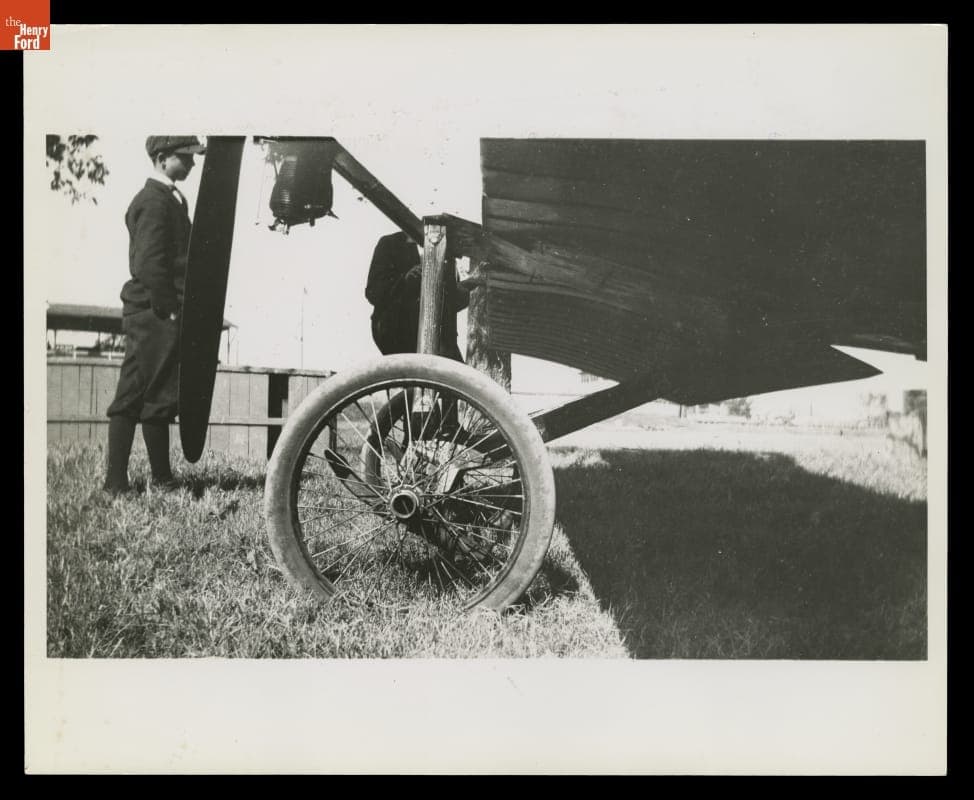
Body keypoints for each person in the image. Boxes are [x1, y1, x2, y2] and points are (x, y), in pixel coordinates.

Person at [102, 135, 206, 497]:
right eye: (185, 157)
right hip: (155, 311)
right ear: (162, 159)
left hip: (149, 311)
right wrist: (170, 310)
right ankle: (158, 479)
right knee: (157, 395)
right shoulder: (153, 201)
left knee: (132, 392)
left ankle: (117, 481)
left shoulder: (170, 199)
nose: (192, 163)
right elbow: (148, 263)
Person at [365, 230, 469, 359]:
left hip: (439, 336)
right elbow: (374, 292)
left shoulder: (447, 254)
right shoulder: (391, 243)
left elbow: (450, 305)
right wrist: (405, 280)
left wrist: (468, 287)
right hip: (397, 329)